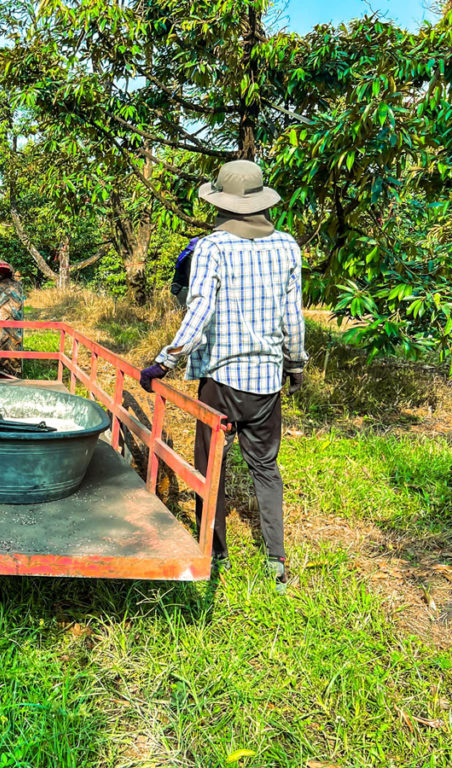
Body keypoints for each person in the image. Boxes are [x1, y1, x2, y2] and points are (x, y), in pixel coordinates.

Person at [139, 160, 307, 591]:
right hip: (267, 382)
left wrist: (164, 363)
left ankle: (214, 555)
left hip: (222, 380)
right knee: (266, 468)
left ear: (222, 204)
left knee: (209, 468)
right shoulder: (288, 246)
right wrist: (295, 363)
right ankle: (276, 562)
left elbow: (199, 312)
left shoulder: (212, 247)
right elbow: (293, 316)